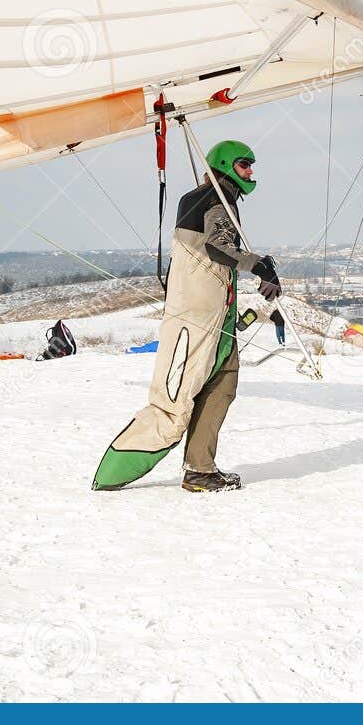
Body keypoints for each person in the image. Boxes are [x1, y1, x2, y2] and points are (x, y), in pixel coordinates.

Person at [91, 139, 282, 493]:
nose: (250, 171)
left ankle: (200, 469)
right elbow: (217, 248)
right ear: (224, 165)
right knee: (177, 398)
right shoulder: (214, 200)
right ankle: (126, 460)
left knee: (222, 383)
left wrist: (259, 272)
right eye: (244, 164)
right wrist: (260, 265)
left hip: (215, 314)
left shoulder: (212, 198)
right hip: (196, 316)